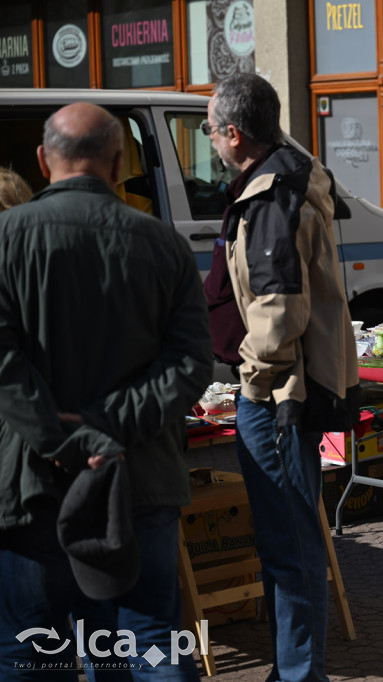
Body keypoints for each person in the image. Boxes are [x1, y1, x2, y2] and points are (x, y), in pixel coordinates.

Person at [0, 103, 213, 679]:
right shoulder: (164, 245)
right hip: (137, 477)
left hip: (33, 485)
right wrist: (107, 427)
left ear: (44, 161)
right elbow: (194, 362)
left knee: (32, 651)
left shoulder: (6, 238)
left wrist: (65, 436)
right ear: (119, 163)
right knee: (149, 644)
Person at [207, 73, 359, 681]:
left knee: (290, 544)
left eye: (213, 131)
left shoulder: (272, 196)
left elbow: (279, 312)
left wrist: (250, 375)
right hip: (277, 390)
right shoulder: (280, 178)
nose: (213, 142)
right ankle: (292, 668)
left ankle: (300, 674)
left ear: (235, 134)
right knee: (285, 542)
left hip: (276, 395)